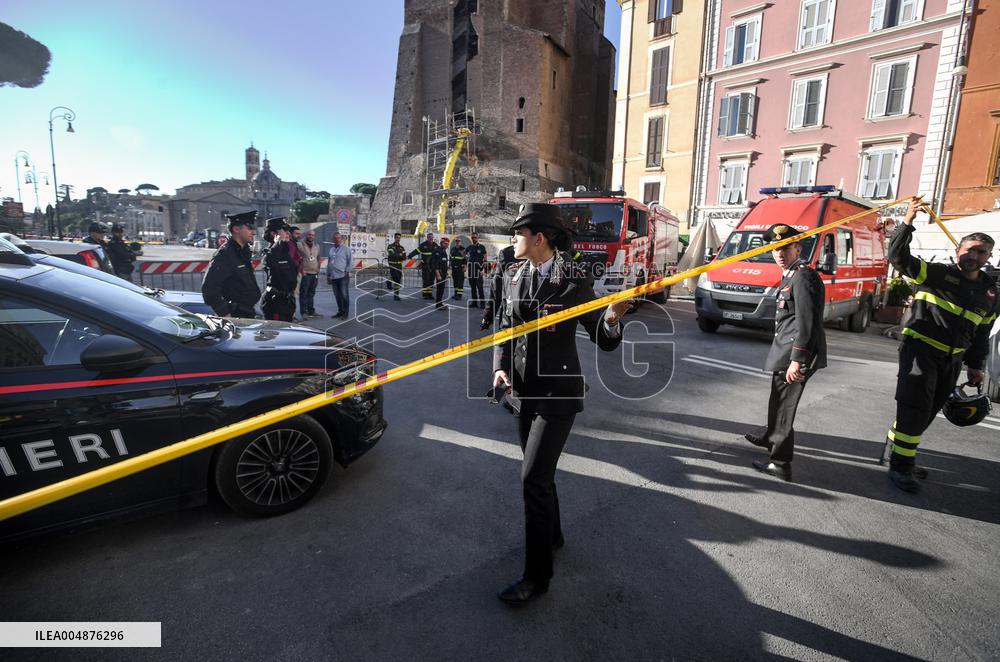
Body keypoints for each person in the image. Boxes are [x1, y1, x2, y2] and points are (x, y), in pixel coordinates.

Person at [492, 202, 631, 605]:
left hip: (557, 395)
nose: (512, 239)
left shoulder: (573, 280)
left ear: (539, 237)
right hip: (522, 393)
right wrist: (499, 368)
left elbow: (603, 340)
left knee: (532, 479)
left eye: (518, 233)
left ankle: (537, 577)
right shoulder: (513, 274)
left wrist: (610, 318)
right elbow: (505, 327)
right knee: (539, 474)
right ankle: (552, 536)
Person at [880, 198, 999, 493]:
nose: (973, 255)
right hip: (919, 352)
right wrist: (907, 221)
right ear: (957, 251)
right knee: (915, 408)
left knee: (928, 411)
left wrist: (976, 366)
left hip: (953, 360)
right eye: (968, 249)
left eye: (980, 252)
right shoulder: (933, 274)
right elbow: (897, 257)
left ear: (989, 256)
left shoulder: (990, 294)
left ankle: (894, 453)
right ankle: (901, 468)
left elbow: (981, 334)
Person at [744, 224, 827, 482]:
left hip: (795, 355)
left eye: (785, 248)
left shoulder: (803, 276)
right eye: (775, 249)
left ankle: (780, 464)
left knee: (784, 408)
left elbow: (807, 322)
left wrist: (797, 360)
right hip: (786, 351)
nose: (779, 253)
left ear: (798, 248)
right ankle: (772, 438)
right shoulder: (791, 274)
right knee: (777, 400)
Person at [201, 211, 261, 318]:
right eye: (250, 228)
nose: (254, 232)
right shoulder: (225, 255)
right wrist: (225, 313)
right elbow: (209, 289)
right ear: (236, 229)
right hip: (235, 315)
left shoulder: (243, 252)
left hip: (247, 312)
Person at [260, 217, 298, 322]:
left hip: (287, 302)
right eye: (284, 230)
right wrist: (278, 243)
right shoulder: (270, 253)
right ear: (274, 234)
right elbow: (269, 262)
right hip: (275, 303)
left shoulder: (284, 251)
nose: (288, 233)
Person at [327, 232, 353, 319]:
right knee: (337, 295)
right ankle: (340, 311)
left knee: (344, 295)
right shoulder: (331, 250)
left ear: (341, 239)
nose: (337, 240)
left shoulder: (346, 249)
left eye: (338, 238)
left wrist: (347, 271)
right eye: (335, 238)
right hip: (333, 276)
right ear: (333, 239)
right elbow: (329, 263)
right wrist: (328, 275)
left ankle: (346, 313)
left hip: (343, 276)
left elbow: (350, 262)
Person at [298, 229, 321, 318]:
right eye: (309, 235)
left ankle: (311, 311)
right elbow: (298, 258)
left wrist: (318, 268)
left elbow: (318, 258)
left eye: (313, 235)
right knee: (304, 293)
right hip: (305, 273)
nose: (311, 236)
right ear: (306, 235)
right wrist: (301, 269)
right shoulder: (300, 245)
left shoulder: (317, 246)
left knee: (311, 293)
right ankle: (304, 312)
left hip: (314, 273)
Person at [409, 232, 436, 299]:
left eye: (431, 237)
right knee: (426, 280)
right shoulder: (423, 245)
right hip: (425, 265)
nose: (431, 238)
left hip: (433, 266)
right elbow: (416, 251)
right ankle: (425, 294)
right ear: (427, 238)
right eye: (429, 237)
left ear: (433, 238)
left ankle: (429, 294)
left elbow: (439, 252)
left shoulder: (435, 245)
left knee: (431, 280)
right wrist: (409, 256)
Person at [466, 232, 487, 308]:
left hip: (478, 270)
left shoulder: (482, 247)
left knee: (480, 287)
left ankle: (482, 304)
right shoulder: (469, 247)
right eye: (472, 237)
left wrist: (483, 270)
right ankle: (474, 303)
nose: (474, 239)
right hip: (471, 270)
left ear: (478, 238)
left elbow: (485, 259)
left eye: (475, 237)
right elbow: (464, 254)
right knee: (473, 288)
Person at [430, 237, 451, 310]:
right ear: (441, 243)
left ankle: (440, 302)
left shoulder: (443, 251)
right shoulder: (437, 251)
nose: (447, 245)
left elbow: (444, 263)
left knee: (441, 289)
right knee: (439, 289)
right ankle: (438, 304)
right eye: (445, 243)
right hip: (439, 273)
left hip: (443, 273)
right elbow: (434, 263)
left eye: (447, 244)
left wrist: (447, 273)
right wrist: (437, 273)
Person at [386, 232, 407, 301]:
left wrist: (398, 255)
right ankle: (396, 296)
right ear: (394, 238)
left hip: (399, 265)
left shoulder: (402, 247)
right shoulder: (390, 246)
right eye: (397, 238)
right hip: (392, 265)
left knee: (398, 279)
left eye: (399, 238)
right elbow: (392, 255)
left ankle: (389, 281)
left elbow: (404, 257)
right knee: (397, 280)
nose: (398, 239)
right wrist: (399, 255)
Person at [449, 236, 466, 300]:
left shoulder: (463, 249)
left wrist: (465, 266)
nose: (457, 242)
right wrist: (450, 265)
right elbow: (451, 258)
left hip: (460, 268)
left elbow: (465, 258)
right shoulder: (453, 249)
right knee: (455, 282)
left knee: (460, 282)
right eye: (456, 241)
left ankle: (459, 295)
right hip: (454, 268)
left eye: (459, 241)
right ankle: (455, 294)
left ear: (460, 242)